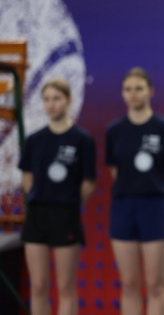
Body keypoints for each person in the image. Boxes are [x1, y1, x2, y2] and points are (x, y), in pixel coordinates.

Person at [105, 67, 164, 315]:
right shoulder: (114, 130)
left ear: (150, 91)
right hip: (123, 207)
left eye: (138, 88)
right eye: (128, 89)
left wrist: (156, 189)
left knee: (156, 284)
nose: (133, 94)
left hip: (155, 207)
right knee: (129, 284)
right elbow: (114, 170)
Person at [19, 78, 96, 315]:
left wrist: (70, 203)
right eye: (46, 99)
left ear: (68, 100)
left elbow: (88, 182)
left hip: (65, 215)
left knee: (65, 287)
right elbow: (27, 178)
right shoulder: (34, 140)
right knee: (38, 286)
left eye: (56, 98)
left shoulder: (82, 139)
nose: (51, 104)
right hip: (37, 216)